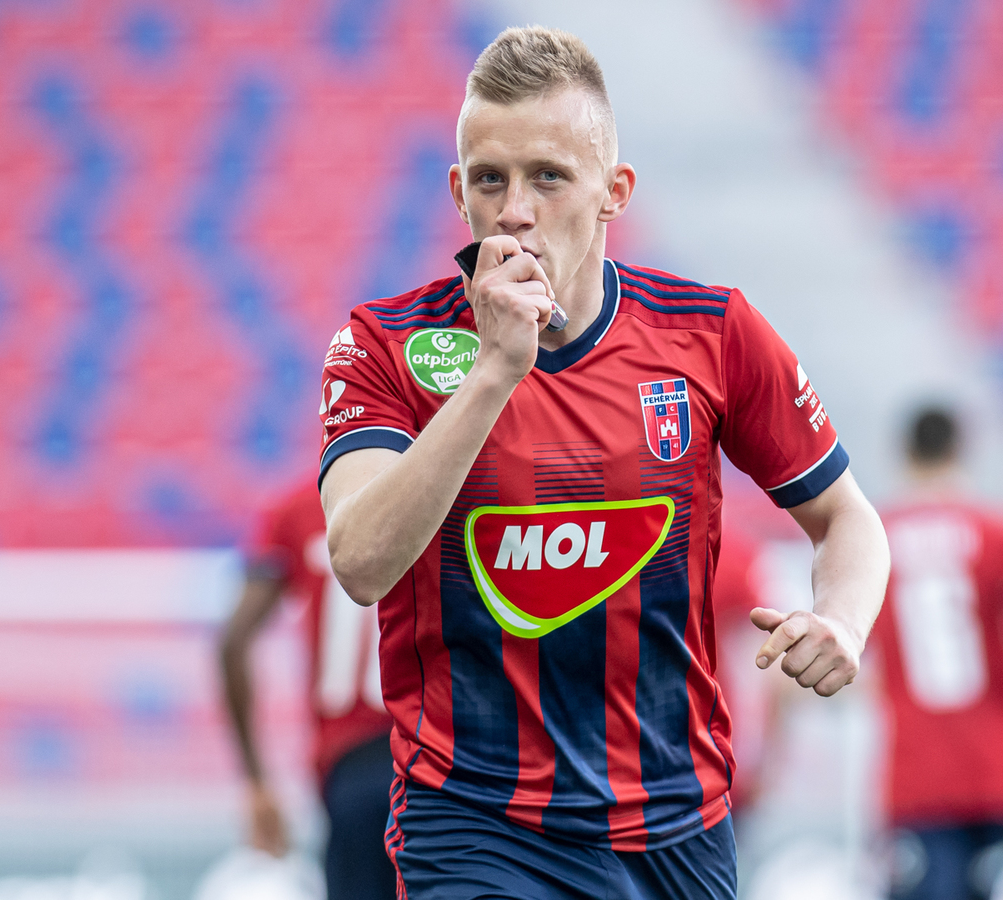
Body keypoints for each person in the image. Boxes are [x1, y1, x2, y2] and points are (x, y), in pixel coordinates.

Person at [315, 25, 890, 900]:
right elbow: (359, 561)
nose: (515, 210)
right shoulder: (381, 345)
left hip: (676, 825)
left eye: (548, 176)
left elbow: (847, 518)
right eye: (489, 179)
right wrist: (494, 372)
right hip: (473, 823)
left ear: (613, 191)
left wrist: (842, 621)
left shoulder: (711, 334)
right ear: (457, 192)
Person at [873, 407, 1003, 900]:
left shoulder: (874, 535)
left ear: (905, 454)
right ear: (960, 450)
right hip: (991, 768)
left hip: (914, 773)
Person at [218, 483, 395, 899]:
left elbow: (233, 643)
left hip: (348, 764)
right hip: (434, 752)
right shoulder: (446, 489)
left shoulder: (299, 508)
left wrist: (257, 783)